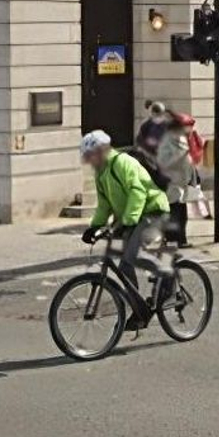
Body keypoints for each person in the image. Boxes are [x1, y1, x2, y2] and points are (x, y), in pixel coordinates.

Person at [79, 129, 172, 319]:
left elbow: (137, 191)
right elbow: (104, 205)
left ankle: (167, 274)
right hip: (133, 218)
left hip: (153, 211)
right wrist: (94, 227)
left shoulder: (122, 162)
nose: (89, 160)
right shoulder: (100, 173)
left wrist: (128, 221)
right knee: (124, 266)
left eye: (91, 155)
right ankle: (139, 310)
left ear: (102, 150)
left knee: (132, 256)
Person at [133, 100, 199, 246]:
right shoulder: (159, 130)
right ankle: (176, 239)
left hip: (166, 175)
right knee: (176, 210)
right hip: (169, 177)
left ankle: (169, 237)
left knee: (171, 209)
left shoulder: (159, 129)